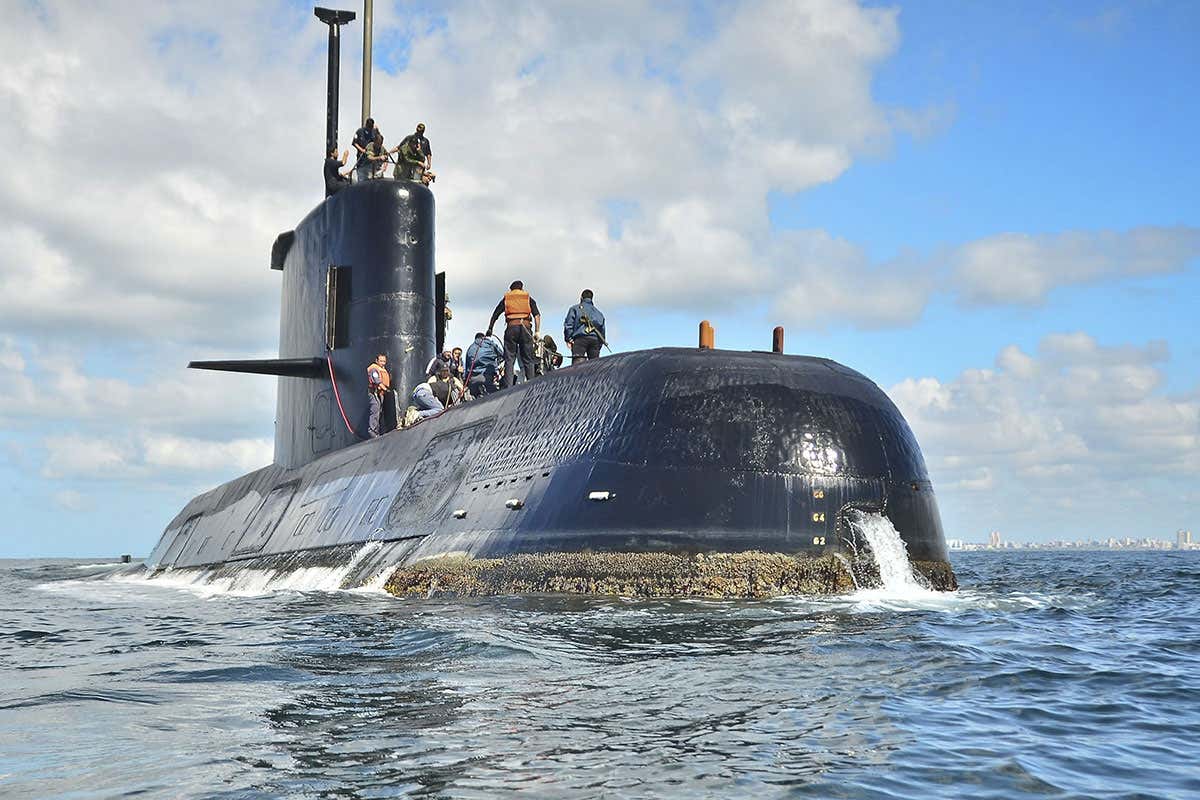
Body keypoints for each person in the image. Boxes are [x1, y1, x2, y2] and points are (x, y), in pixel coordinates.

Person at [487, 281, 541, 388]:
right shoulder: (527, 298)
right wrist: (537, 331)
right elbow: (537, 315)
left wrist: (490, 328)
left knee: (509, 359)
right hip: (525, 328)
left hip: (511, 328)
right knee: (528, 359)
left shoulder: (507, 298)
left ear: (511, 289)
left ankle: (508, 387)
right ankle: (532, 385)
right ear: (522, 288)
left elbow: (495, 314)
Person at [564, 289, 606, 363]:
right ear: (591, 299)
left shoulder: (575, 309)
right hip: (595, 340)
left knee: (577, 367)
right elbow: (602, 331)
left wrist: (568, 339)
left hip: (580, 340)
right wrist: (599, 345)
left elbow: (569, 325)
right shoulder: (599, 313)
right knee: (594, 367)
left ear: (581, 298)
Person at [464, 331, 503, 399]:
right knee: (496, 396)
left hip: (473, 378)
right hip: (487, 376)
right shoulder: (489, 343)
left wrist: (466, 383)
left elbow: (467, 367)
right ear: (484, 337)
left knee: (475, 397)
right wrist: (497, 364)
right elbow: (502, 354)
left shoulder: (470, 348)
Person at [366, 353, 391, 438]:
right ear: (376, 361)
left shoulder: (382, 369)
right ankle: (372, 431)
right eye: (381, 361)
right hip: (374, 393)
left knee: (379, 411)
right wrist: (386, 390)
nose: (383, 363)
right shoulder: (374, 369)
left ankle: (378, 431)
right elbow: (377, 381)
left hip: (380, 393)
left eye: (384, 361)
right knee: (375, 410)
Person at [352, 117, 376, 183]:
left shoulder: (374, 132)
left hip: (371, 160)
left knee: (371, 178)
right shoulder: (359, 131)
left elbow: (379, 140)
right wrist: (362, 150)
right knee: (361, 178)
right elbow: (354, 143)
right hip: (361, 159)